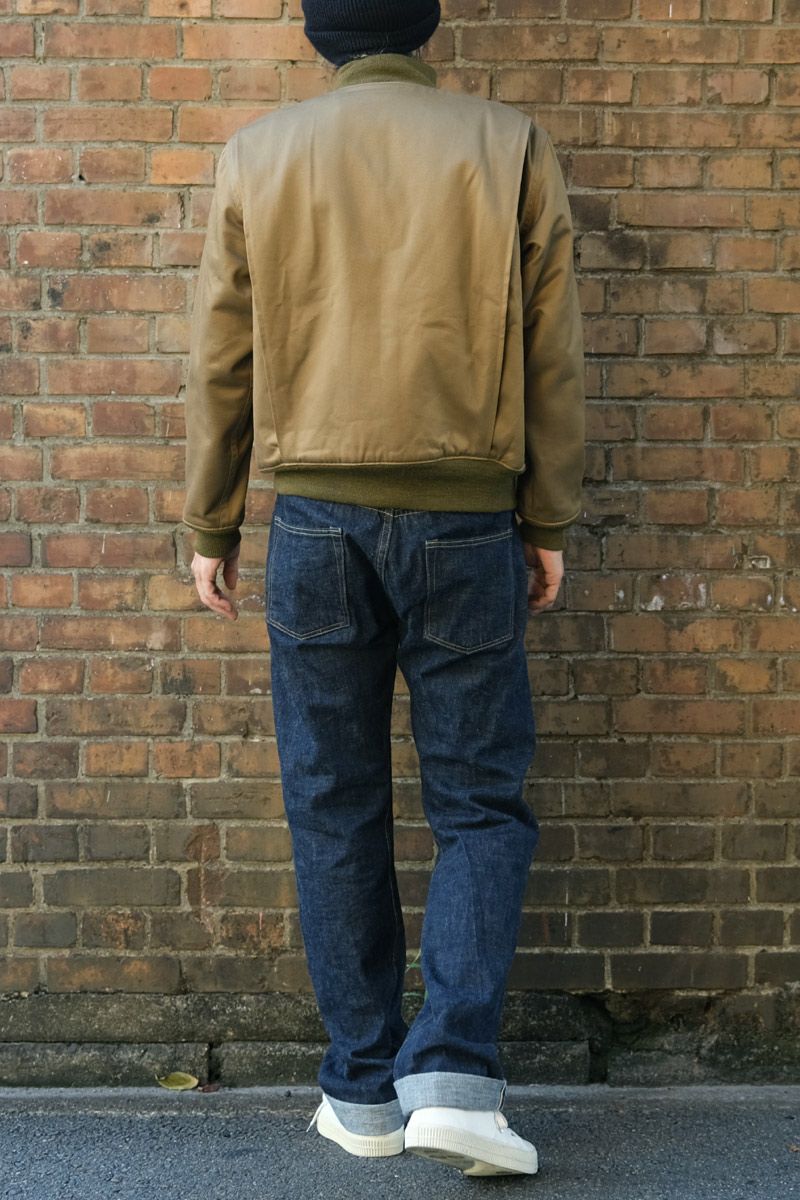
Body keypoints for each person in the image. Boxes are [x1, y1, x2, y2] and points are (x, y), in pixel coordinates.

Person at [181, 0, 585, 1178]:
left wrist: (210, 519)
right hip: (467, 515)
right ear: (427, 24)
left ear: (320, 32)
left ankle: (360, 1088)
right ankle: (453, 1076)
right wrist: (545, 516)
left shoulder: (259, 152)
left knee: (333, 801)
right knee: (478, 803)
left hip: (313, 522)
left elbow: (219, 354)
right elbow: (552, 345)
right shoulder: (505, 142)